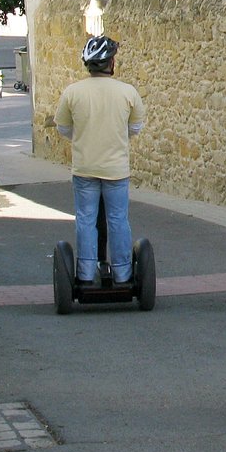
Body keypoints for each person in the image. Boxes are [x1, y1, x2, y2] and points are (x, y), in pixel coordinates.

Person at [53, 35, 146, 287]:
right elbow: (135, 127)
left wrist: (83, 137)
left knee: (85, 219)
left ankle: (84, 274)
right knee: (118, 219)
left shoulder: (72, 92)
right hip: (116, 168)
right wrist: (115, 136)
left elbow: (62, 127)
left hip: (85, 167)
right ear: (111, 63)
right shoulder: (128, 92)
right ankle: (123, 273)